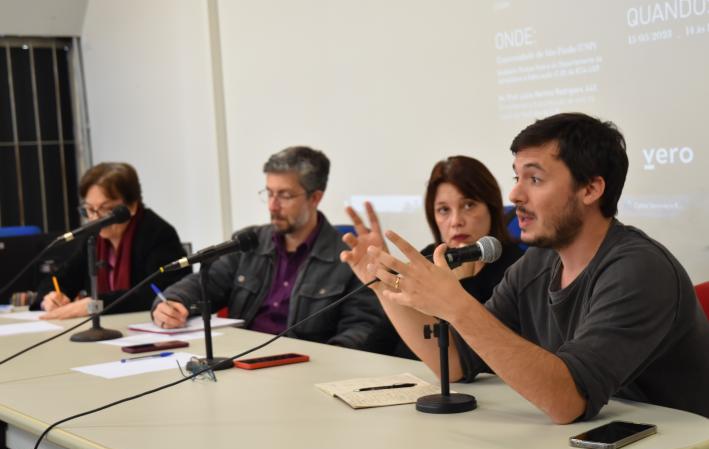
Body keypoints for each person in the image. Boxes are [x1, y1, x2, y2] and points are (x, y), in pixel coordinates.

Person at [342, 113, 709, 423]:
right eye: (516, 177)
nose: (515, 194)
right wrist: (381, 285)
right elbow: (456, 362)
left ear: (591, 189)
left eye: (534, 179)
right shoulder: (539, 260)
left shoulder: (638, 269)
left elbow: (569, 401)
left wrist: (455, 305)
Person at [152, 146, 389, 352]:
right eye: (269, 193)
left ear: (315, 198)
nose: (273, 206)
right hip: (243, 362)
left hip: (307, 371)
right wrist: (173, 303)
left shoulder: (348, 256)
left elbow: (363, 328)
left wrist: (328, 363)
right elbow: (205, 283)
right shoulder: (249, 242)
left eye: (284, 196)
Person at [345, 156, 523, 359]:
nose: (456, 221)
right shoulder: (427, 258)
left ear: (492, 209)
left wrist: (464, 283)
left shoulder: (517, 267)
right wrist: (381, 283)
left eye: (469, 205)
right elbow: (379, 345)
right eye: (444, 210)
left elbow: (468, 362)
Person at [34, 162, 191, 318]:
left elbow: (159, 291)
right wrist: (51, 297)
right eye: (89, 209)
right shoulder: (92, 237)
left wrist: (95, 304)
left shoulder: (157, 232)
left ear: (132, 206)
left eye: (106, 209)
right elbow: (60, 279)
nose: (95, 218)